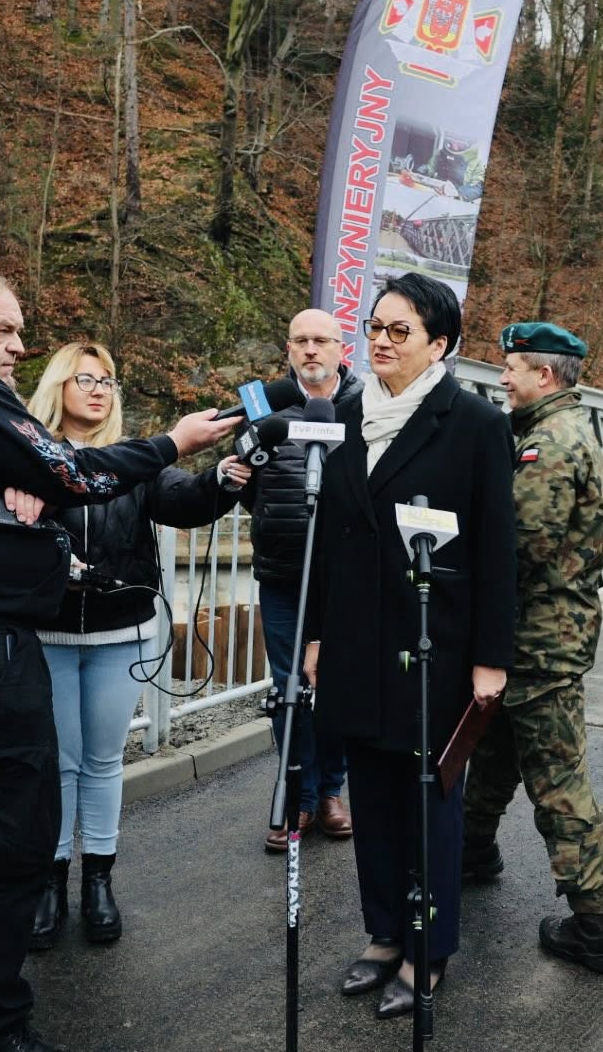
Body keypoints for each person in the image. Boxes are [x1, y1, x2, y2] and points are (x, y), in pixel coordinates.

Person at [0, 268, 238, 1052]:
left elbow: (15, 475)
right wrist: (173, 442)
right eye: (4, 330)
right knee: (5, 837)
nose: (19, 346)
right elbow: (74, 472)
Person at [301, 273, 515, 1019]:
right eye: (376, 327)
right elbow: (330, 537)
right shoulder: (353, 411)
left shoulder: (475, 423)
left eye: (400, 331)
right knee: (373, 793)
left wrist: (493, 656)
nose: (381, 342)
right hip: (357, 639)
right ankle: (385, 932)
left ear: (440, 344)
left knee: (429, 802)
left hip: (436, 642)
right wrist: (318, 632)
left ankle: (429, 950)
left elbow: (497, 548)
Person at [24, 342, 252, 948]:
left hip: (120, 628)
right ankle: (49, 881)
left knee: (101, 761)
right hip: (44, 630)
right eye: (85, 379)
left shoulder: (136, 459)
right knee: (56, 763)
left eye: (108, 381)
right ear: (58, 386)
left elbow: (183, 501)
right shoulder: (26, 453)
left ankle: (98, 880)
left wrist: (224, 480)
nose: (99, 390)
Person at [460, 321, 603, 974]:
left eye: (511, 369)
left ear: (544, 376)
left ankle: (597, 926)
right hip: (534, 638)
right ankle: (473, 852)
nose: (502, 379)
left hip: (542, 641)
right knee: (496, 745)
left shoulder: (550, 443)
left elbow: (521, 548)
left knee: (558, 783)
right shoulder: (552, 430)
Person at [247, 308, 361, 853]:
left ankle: (332, 791)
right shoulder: (260, 402)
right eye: (301, 341)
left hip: (343, 575)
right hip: (284, 569)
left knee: (334, 682)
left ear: (343, 349)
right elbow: (245, 472)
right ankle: (297, 793)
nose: (311, 350)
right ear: (288, 349)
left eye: (322, 340)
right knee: (288, 685)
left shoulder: (367, 400)